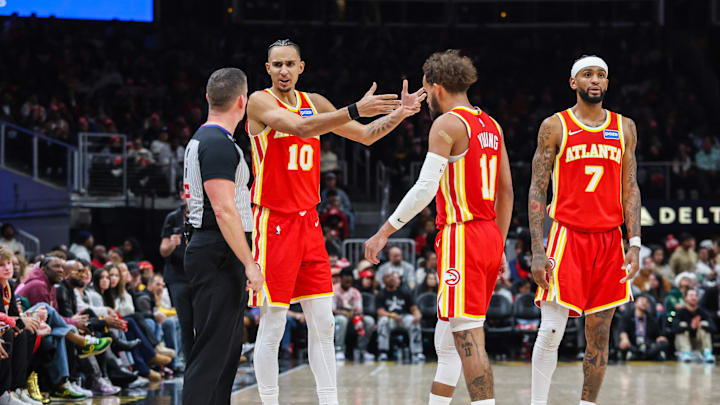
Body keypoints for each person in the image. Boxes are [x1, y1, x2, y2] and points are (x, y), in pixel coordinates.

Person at [245, 38, 423, 405]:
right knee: (274, 322)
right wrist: (356, 107)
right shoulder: (259, 101)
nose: (283, 70)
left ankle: (329, 400)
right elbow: (300, 129)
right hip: (273, 223)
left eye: (289, 64)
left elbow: (365, 136)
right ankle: (268, 400)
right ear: (267, 69)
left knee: (324, 322)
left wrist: (400, 115)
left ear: (300, 67)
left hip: (309, 222)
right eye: (276, 64)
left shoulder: (317, 103)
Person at [365, 50, 513, 405]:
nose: (425, 95)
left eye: (425, 88)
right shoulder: (491, 125)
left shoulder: (447, 124)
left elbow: (425, 188)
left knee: (468, 339)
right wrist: (499, 244)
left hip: (463, 236)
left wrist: (384, 230)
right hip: (489, 234)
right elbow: (507, 192)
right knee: (446, 342)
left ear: (438, 87)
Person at [528, 55, 641, 405]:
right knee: (550, 331)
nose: (595, 80)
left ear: (607, 84)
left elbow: (631, 187)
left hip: (609, 240)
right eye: (587, 74)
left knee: (599, 336)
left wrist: (634, 242)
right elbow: (537, 188)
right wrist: (537, 248)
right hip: (566, 236)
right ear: (573, 82)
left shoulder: (625, 127)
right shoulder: (555, 125)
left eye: (601, 75)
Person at [182, 67, 263, 405]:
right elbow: (224, 209)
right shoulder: (216, 143)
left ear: (208, 98)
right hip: (217, 250)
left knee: (227, 352)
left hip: (213, 249)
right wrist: (249, 263)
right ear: (242, 101)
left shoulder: (209, 139)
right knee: (212, 352)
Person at [159, 190, 193, 361]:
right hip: (178, 277)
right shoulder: (173, 217)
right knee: (185, 323)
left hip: (199, 275)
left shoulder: (203, 214)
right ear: (181, 194)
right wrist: (172, 244)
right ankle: (189, 363)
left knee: (202, 323)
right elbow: (163, 251)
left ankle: (203, 362)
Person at [375, 273, 423, 362]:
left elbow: (413, 308)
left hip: (403, 318)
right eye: (388, 277)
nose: (391, 279)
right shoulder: (381, 294)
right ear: (384, 281)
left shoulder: (404, 292)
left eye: (392, 277)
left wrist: (417, 314)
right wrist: (392, 315)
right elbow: (380, 311)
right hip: (390, 319)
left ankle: (417, 353)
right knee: (383, 321)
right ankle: (383, 351)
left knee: (414, 321)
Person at [332, 268, 374, 361]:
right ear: (341, 278)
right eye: (346, 278)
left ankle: (361, 349)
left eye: (350, 279)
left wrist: (356, 315)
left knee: (369, 321)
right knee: (341, 319)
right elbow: (332, 310)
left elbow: (359, 310)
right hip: (337, 318)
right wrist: (346, 313)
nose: (348, 280)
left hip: (353, 318)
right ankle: (339, 350)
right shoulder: (333, 290)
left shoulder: (355, 292)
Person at [617, 295, 669, 361]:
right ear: (635, 304)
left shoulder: (651, 319)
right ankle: (645, 356)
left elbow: (657, 334)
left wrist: (660, 337)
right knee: (624, 344)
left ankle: (641, 356)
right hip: (634, 345)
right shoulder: (627, 317)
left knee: (664, 343)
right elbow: (622, 330)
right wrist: (624, 339)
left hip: (648, 346)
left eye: (646, 302)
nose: (644, 303)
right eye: (641, 300)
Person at [674, 289, 716, 363]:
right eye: (691, 295)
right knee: (682, 324)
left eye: (695, 295)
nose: (693, 297)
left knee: (704, 324)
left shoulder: (703, 312)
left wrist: (701, 326)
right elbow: (673, 328)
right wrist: (690, 327)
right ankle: (686, 353)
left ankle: (707, 353)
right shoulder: (679, 311)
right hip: (682, 344)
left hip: (698, 344)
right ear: (686, 298)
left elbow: (714, 328)